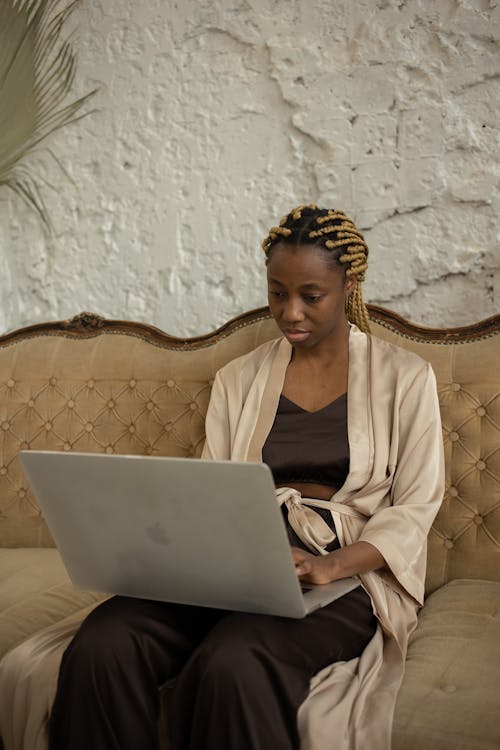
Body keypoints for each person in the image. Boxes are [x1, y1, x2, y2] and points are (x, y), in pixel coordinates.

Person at [0, 204, 444, 750]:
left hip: (345, 569)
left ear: (349, 285)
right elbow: (212, 491)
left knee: (234, 661)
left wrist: (328, 566)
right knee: (104, 643)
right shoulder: (239, 377)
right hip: (236, 557)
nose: (290, 313)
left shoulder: (404, 377)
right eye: (277, 292)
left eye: (311, 295)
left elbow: (417, 506)